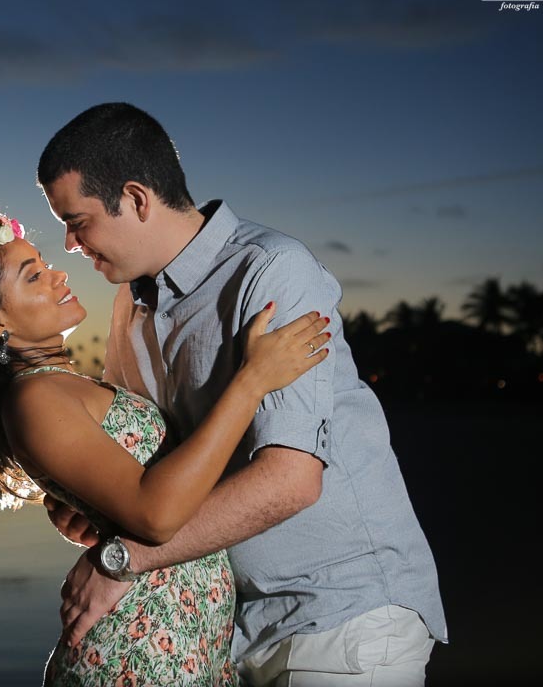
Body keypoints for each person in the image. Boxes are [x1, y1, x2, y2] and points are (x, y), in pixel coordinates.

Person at [36, 102, 448, 686]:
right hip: (233, 630)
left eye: (77, 221)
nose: (71, 243)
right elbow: (147, 463)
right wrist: (90, 505)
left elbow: (292, 480)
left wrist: (125, 558)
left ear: (135, 198)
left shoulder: (272, 272)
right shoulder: (130, 304)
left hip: (343, 611)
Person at [0, 211, 332, 686]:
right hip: (137, 656)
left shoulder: (60, 387)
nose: (59, 275)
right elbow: (155, 513)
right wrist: (252, 381)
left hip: (181, 644)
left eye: (45, 265)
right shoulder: (35, 398)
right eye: (34, 276)